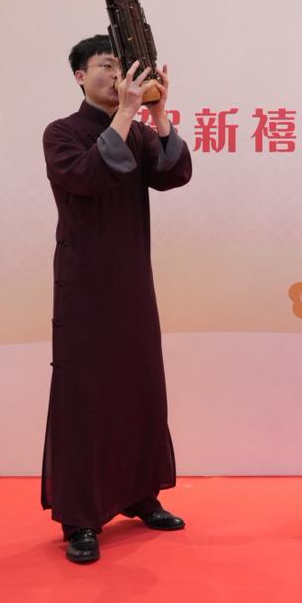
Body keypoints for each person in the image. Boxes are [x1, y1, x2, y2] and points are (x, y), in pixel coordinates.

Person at [41, 35, 192, 564]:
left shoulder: (139, 134)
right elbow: (87, 177)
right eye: (104, 66)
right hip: (83, 284)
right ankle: (80, 517)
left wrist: (159, 111)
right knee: (86, 396)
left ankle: (140, 494)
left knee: (139, 386)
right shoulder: (61, 133)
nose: (115, 75)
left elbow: (174, 174)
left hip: (133, 279)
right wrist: (127, 113)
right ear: (80, 76)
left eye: (119, 67)